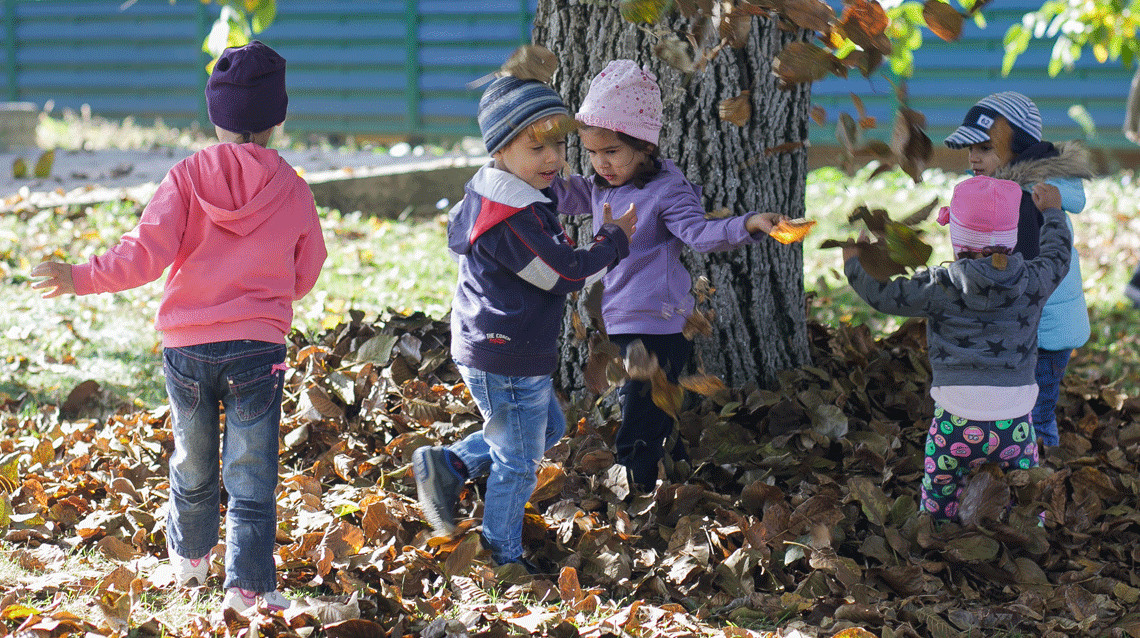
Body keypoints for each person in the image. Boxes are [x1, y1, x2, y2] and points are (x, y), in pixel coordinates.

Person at [30, 41, 326, 614]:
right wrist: (269, 294)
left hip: (188, 348)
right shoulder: (292, 187)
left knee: (192, 459)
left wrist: (79, 277)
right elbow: (306, 270)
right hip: (258, 348)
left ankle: (191, 560)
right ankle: (247, 587)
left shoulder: (187, 176)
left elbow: (144, 254)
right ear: (278, 120)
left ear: (215, 116)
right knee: (251, 471)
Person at [412, 70, 636, 572]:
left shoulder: (502, 190)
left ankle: (448, 464)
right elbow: (565, 273)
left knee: (546, 426)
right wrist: (614, 239)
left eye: (558, 144)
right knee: (518, 461)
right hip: (504, 352)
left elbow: (556, 220)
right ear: (500, 150)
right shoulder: (512, 217)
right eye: (537, 148)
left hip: (494, 342)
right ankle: (503, 556)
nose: (553, 159)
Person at [549, 60, 787, 492]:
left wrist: (749, 223)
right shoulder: (602, 186)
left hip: (657, 326)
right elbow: (563, 194)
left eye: (611, 152)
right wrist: (519, 171)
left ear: (644, 145)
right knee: (654, 411)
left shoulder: (666, 191)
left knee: (641, 420)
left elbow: (700, 234)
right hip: (621, 324)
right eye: (592, 153)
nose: (601, 164)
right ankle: (675, 483)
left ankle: (638, 494)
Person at [843, 176, 1071, 522]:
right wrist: (1053, 213)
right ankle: (1031, 531)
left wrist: (855, 265)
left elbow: (884, 296)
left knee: (940, 485)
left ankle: (934, 530)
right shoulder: (1033, 279)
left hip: (955, 420)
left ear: (957, 243)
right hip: (1014, 421)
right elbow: (1058, 256)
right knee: (1026, 492)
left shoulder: (941, 284)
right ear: (1011, 239)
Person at [943, 91, 1094, 447]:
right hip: (1027, 328)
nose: (973, 157)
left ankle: (1042, 470)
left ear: (1018, 149)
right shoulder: (1003, 192)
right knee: (1019, 410)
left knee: (1036, 414)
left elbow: (1020, 269)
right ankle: (1019, 462)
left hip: (1042, 331)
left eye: (985, 148)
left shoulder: (1030, 199)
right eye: (971, 148)